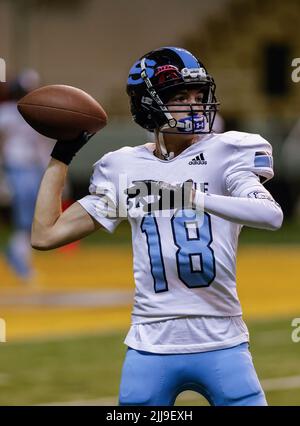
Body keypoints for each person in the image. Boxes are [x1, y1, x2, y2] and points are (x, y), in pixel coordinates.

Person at [31, 47, 283, 406]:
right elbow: (45, 234)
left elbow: (271, 215)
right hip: (150, 344)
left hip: (222, 340)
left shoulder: (229, 152)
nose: (196, 105)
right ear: (149, 103)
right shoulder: (123, 167)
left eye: (199, 94)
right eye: (181, 96)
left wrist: (192, 197)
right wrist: (62, 156)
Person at [0, 69, 54, 281]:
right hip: (15, 166)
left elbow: (41, 144)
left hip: (31, 167)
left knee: (34, 217)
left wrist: (48, 169)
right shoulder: (6, 112)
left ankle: (18, 257)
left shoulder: (35, 112)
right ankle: (19, 260)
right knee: (25, 217)